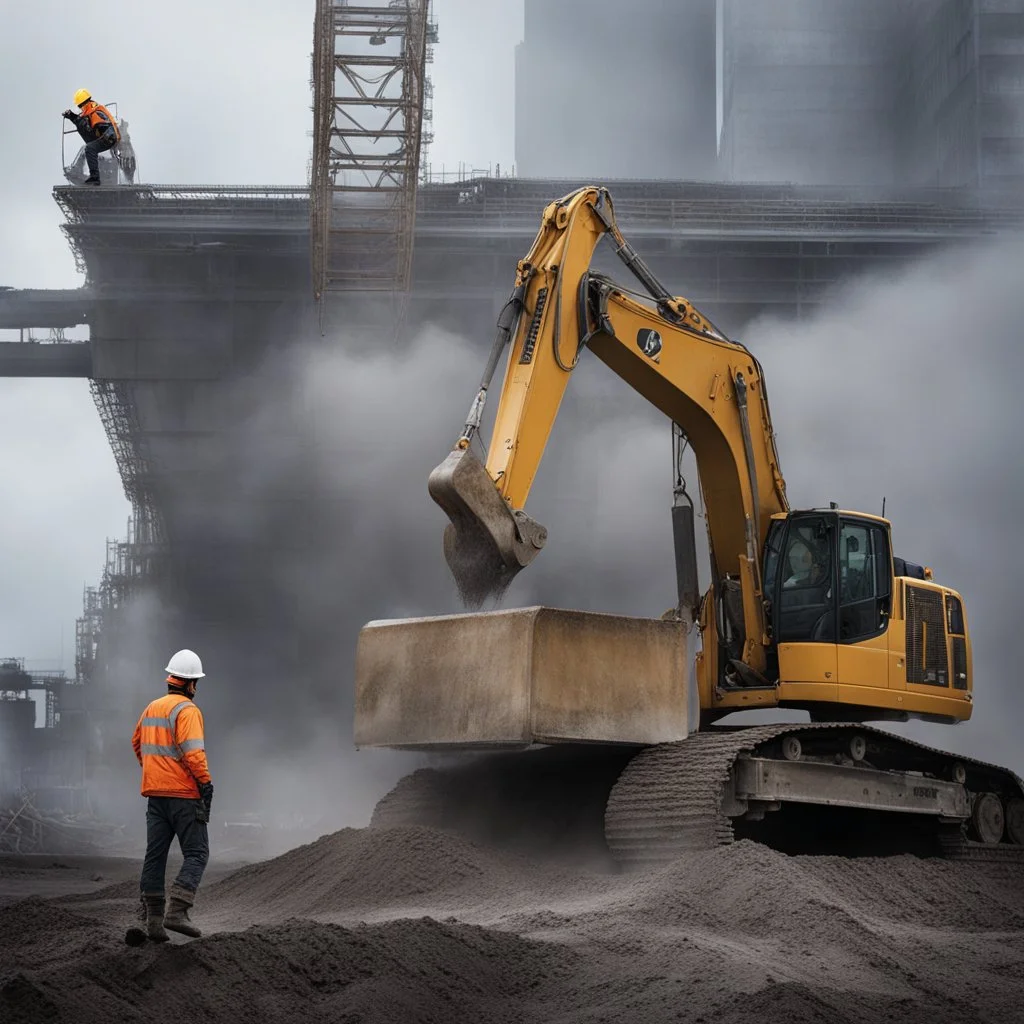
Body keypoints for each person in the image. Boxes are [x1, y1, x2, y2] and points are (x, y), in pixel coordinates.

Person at [131, 649, 214, 942]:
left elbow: (137, 743)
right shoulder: (187, 710)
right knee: (197, 852)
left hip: (155, 796)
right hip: (183, 795)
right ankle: (177, 911)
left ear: (170, 678)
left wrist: (154, 772)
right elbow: (193, 753)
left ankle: (152, 921)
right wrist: (205, 783)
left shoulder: (151, 707)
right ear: (191, 684)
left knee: (155, 855)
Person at [62, 89, 120, 186]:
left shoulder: (93, 112)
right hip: (108, 137)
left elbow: (86, 128)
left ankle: (95, 177)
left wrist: (72, 116)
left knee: (89, 148)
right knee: (88, 147)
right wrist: (72, 116)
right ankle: (79, 169)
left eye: (80, 106)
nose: (80, 109)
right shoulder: (94, 108)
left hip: (109, 138)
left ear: (83, 104)